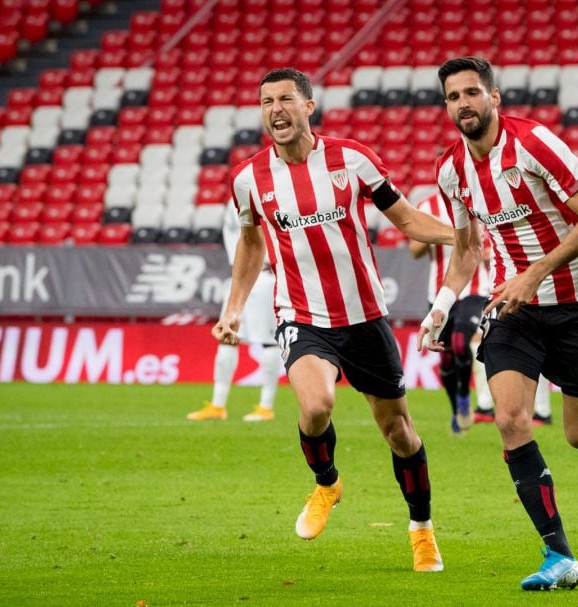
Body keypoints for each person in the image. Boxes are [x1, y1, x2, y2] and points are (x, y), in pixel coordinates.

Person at [213, 68, 455, 572]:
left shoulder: (353, 159)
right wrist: (232, 309)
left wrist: (464, 238)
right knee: (316, 404)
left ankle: (422, 531)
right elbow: (251, 243)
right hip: (301, 315)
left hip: (365, 317)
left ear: (308, 106)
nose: (274, 109)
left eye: (284, 99)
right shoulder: (248, 180)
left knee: (400, 434)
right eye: (265, 101)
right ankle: (327, 483)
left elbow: (407, 219)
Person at [422, 56, 578, 591]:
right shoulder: (450, 170)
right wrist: (441, 306)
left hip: (577, 303)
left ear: (494, 97)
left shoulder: (535, 145)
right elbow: (465, 250)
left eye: (471, 93)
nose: (462, 103)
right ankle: (559, 555)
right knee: (509, 419)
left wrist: (536, 272)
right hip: (512, 306)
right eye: (452, 96)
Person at [187, 205, 280, 422]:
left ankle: (266, 406)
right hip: (241, 276)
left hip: (263, 276)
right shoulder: (255, 190)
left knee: (268, 342)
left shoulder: (245, 192)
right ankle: (218, 405)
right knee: (228, 337)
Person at [409, 191, 491, 434]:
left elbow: (491, 241)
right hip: (439, 293)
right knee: (444, 358)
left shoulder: (479, 200)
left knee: (460, 342)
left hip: (475, 289)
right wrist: (433, 231)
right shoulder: (427, 206)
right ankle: (456, 407)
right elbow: (415, 250)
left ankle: (465, 395)